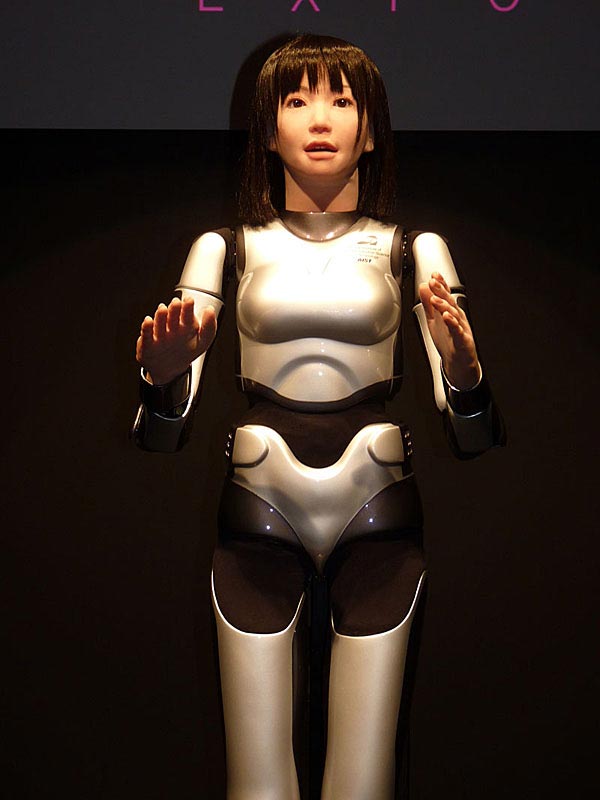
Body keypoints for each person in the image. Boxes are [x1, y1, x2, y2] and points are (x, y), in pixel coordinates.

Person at [133, 34, 504, 800]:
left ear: (371, 130)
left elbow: (469, 425)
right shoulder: (224, 250)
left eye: (342, 99)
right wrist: (163, 376)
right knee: (257, 786)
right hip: (258, 507)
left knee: (362, 784)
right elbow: (165, 424)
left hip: (379, 508)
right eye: (297, 100)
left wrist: (465, 374)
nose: (321, 117)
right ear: (268, 130)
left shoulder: (414, 249)